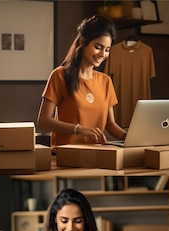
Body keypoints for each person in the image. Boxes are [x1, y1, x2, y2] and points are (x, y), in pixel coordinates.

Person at [37, 15, 127, 149]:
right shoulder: (60, 75)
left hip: (98, 154)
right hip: (66, 155)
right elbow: (43, 121)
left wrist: (132, 138)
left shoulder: (105, 81)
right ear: (83, 42)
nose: (103, 54)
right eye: (98, 47)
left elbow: (110, 125)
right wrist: (78, 129)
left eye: (107, 49)